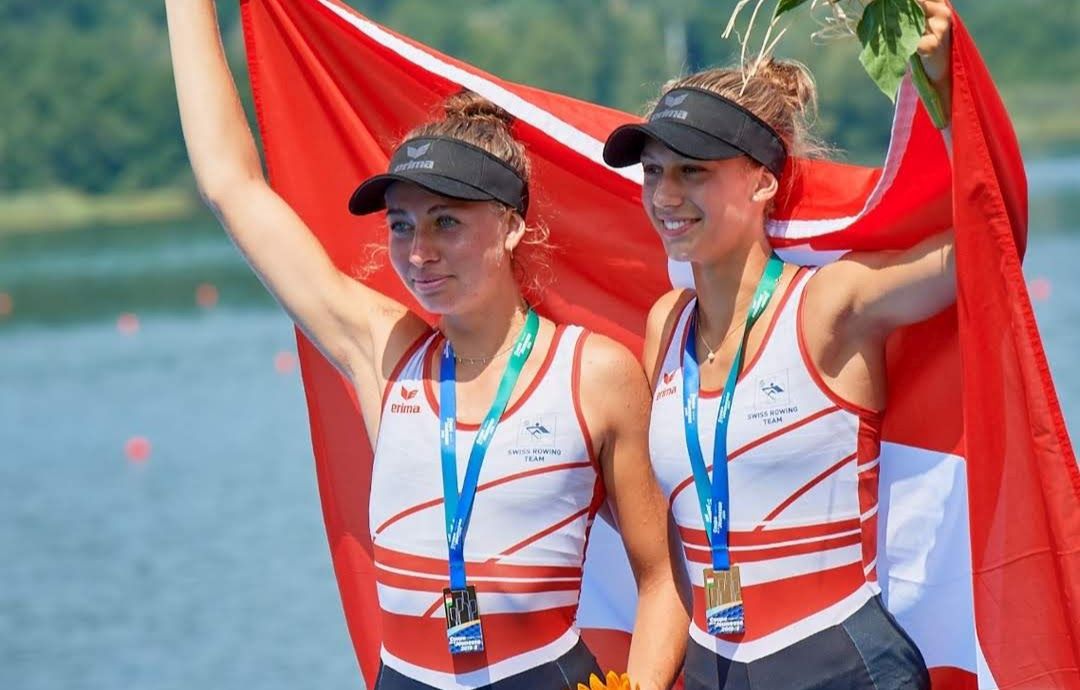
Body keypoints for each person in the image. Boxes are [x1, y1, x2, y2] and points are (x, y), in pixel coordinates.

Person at [164, 2, 689, 689]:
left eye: (446, 223)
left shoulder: (592, 375)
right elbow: (232, 186)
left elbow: (666, 578)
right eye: (403, 225)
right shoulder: (383, 354)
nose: (420, 252)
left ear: (507, 227)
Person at [601, 1, 954, 688]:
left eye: (692, 171)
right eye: (652, 171)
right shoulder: (664, 324)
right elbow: (674, 550)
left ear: (763, 180)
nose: (665, 195)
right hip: (711, 667)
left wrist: (945, 85)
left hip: (842, 665)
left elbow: (986, 240)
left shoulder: (828, 305)